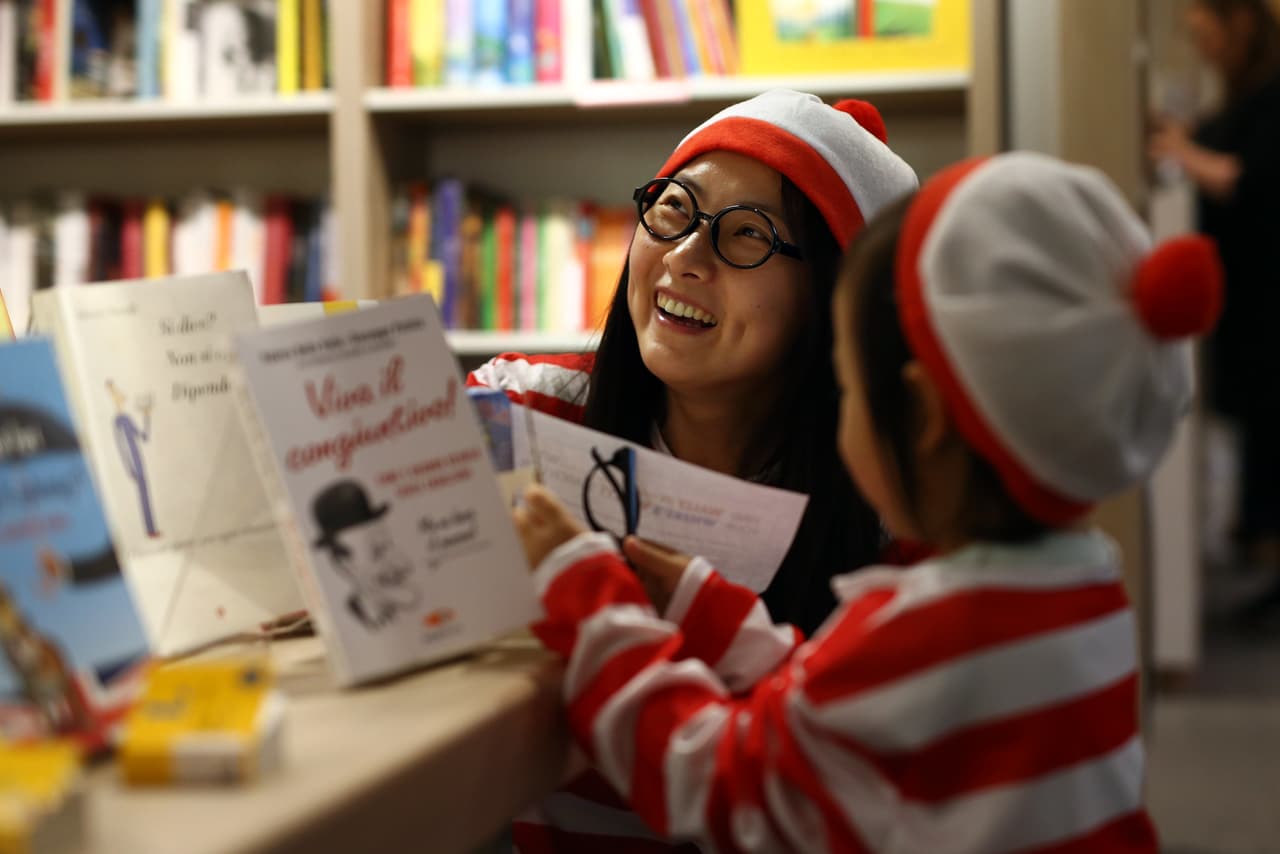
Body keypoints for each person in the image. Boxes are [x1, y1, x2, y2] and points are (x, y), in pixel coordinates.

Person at [513, 151, 1224, 852]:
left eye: (847, 388)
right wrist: (708, 609)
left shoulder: (928, 632)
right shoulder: (1082, 581)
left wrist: (589, 599)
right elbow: (845, 713)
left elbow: (717, 783)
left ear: (922, 417)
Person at [468, 89, 917, 849]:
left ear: (831, 301)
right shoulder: (523, 407)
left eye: (747, 237)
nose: (685, 256)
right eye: (673, 210)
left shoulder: (885, 512)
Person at [1148, 0, 1280, 617]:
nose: (1201, 48)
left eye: (1205, 33)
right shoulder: (1246, 95)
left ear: (1241, 26)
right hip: (1249, 295)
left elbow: (1249, 178)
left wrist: (1182, 151)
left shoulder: (1272, 95)